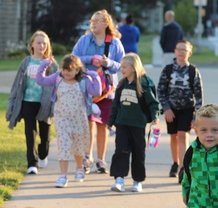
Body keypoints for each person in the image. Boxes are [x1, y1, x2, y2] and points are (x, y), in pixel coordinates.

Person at [36, 54, 101, 188]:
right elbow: (40, 80)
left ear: (77, 70)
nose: (66, 72)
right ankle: (63, 176)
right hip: (62, 120)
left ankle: (79, 168)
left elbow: (97, 91)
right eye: (64, 69)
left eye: (69, 70)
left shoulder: (84, 81)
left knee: (78, 147)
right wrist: (44, 65)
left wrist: (94, 76)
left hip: (79, 120)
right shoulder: (58, 78)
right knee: (64, 146)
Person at [72, 9, 125, 174]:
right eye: (92, 21)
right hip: (87, 89)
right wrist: (89, 59)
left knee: (103, 124)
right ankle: (88, 157)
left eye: (97, 21)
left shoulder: (114, 43)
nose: (93, 24)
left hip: (107, 90)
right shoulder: (84, 40)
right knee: (89, 124)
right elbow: (73, 59)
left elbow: (123, 65)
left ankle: (101, 160)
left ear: (105, 23)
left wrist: (108, 62)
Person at [5, 30, 58, 175]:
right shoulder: (26, 62)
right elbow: (18, 84)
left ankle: (42, 154)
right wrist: (13, 101)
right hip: (28, 101)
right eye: (39, 43)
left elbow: (57, 84)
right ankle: (32, 163)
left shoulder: (51, 64)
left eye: (44, 43)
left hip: (44, 104)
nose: (42, 46)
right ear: (32, 44)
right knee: (30, 132)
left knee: (45, 136)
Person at [107, 53, 160, 193]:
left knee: (138, 152)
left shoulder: (143, 83)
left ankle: (137, 181)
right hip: (122, 123)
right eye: (121, 66)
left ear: (133, 67)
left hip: (137, 124)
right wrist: (111, 121)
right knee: (121, 151)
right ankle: (119, 179)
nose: (121, 69)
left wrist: (155, 115)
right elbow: (116, 105)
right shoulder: (122, 84)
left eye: (124, 67)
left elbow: (152, 103)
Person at [157, 40, 203, 184]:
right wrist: (166, 108)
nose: (181, 52)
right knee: (174, 136)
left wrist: (197, 115)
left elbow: (199, 94)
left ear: (190, 53)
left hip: (187, 108)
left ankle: (184, 167)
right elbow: (160, 90)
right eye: (179, 49)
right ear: (175, 51)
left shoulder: (193, 71)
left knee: (183, 135)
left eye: (185, 50)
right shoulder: (168, 69)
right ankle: (175, 163)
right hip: (171, 109)